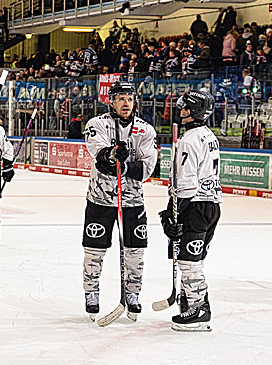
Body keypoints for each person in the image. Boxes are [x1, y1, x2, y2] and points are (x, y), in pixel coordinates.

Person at [82, 81, 157, 321]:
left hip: (132, 201)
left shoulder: (145, 130)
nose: (126, 103)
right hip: (100, 199)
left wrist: (124, 167)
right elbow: (100, 156)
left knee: (135, 251)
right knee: (94, 250)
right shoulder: (97, 124)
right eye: (121, 99)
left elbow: (147, 169)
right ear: (112, 102)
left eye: (130, 99)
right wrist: (112, 154)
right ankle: (91, 292)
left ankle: (132, 294)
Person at [160, 90, 221, 332]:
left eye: (184, 107)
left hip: (195, 205)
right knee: (194, 259)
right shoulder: (208, 135)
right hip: (212, 205)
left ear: (192, 111)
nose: (180, 110)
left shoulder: (188, 140)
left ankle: (199, 309)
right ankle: (189, 300)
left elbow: (185, 184)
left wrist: (171, 214)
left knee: (188, 260)